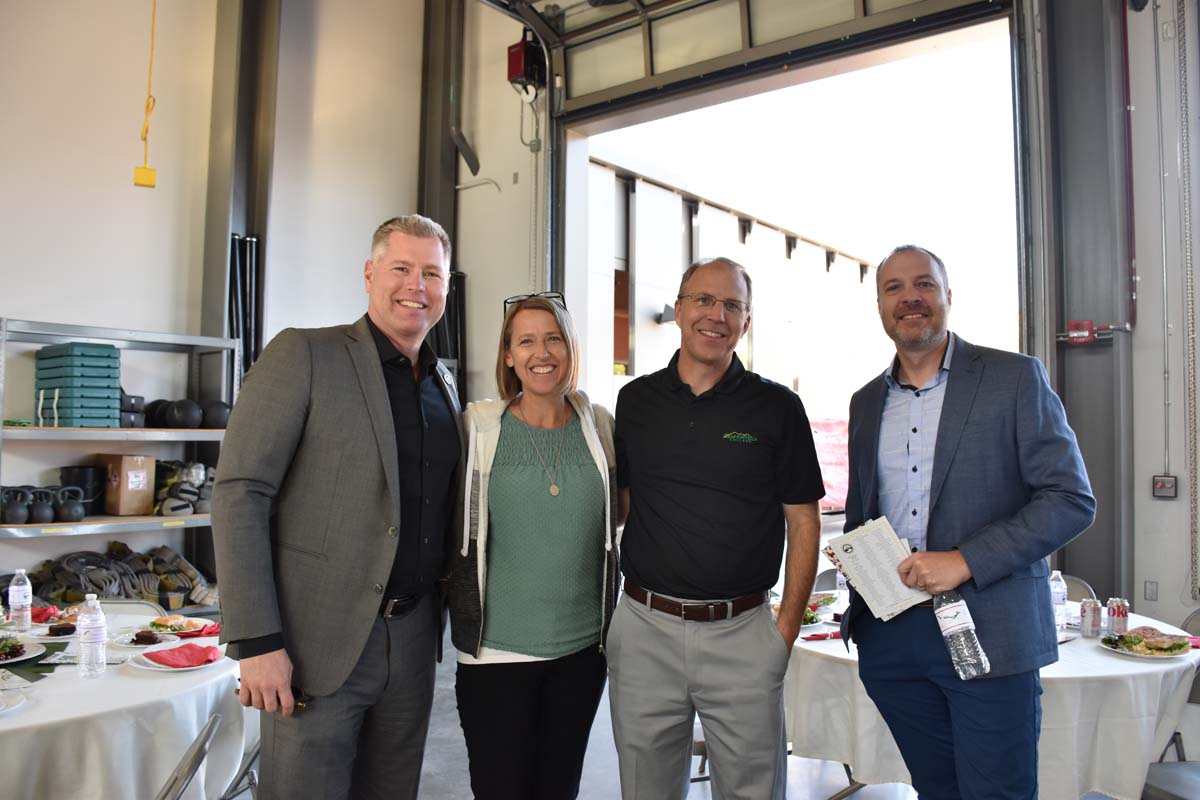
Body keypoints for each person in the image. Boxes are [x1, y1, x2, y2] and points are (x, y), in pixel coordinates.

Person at [211, 214, 461, 799]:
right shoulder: (306, 354)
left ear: (446, 288)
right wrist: (256, 641)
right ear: (370, 274)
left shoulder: (443, 386)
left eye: (431, 273)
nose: (415, 285)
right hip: (313, 641)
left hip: (415, 639)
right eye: (401, 268)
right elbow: (241, 491)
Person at [841, 245, 1096, 799]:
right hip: (892, 638)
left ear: (947, 297)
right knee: (936, 790)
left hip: (990, 630)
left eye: (924, 284)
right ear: (881, 306)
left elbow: (1070, 498)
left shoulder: (1014, 378)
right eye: (893, 288)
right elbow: (865, 512)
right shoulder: (865, 402)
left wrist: (964, 561)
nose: (910, 297)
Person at [611, 257, 825, 799]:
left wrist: (785, 632)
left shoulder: (778, 408)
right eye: (704, 300)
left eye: (733, 305)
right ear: (680, 310)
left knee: (754, 791)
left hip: (743, 633)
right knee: (645, 789)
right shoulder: (634, 402)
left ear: (747, 322)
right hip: (644, 631)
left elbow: (804, 521)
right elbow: (627, 504)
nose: (717, 314)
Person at [445, 292, 617, 800]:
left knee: (559, 789)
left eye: (553, 338)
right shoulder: (477, 428)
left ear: (570, 347)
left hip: (583, 654)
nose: (542, 352)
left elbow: (619, 518)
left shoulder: (599, 425)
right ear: (508, 355)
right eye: (526, 341)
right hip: (495, 657)